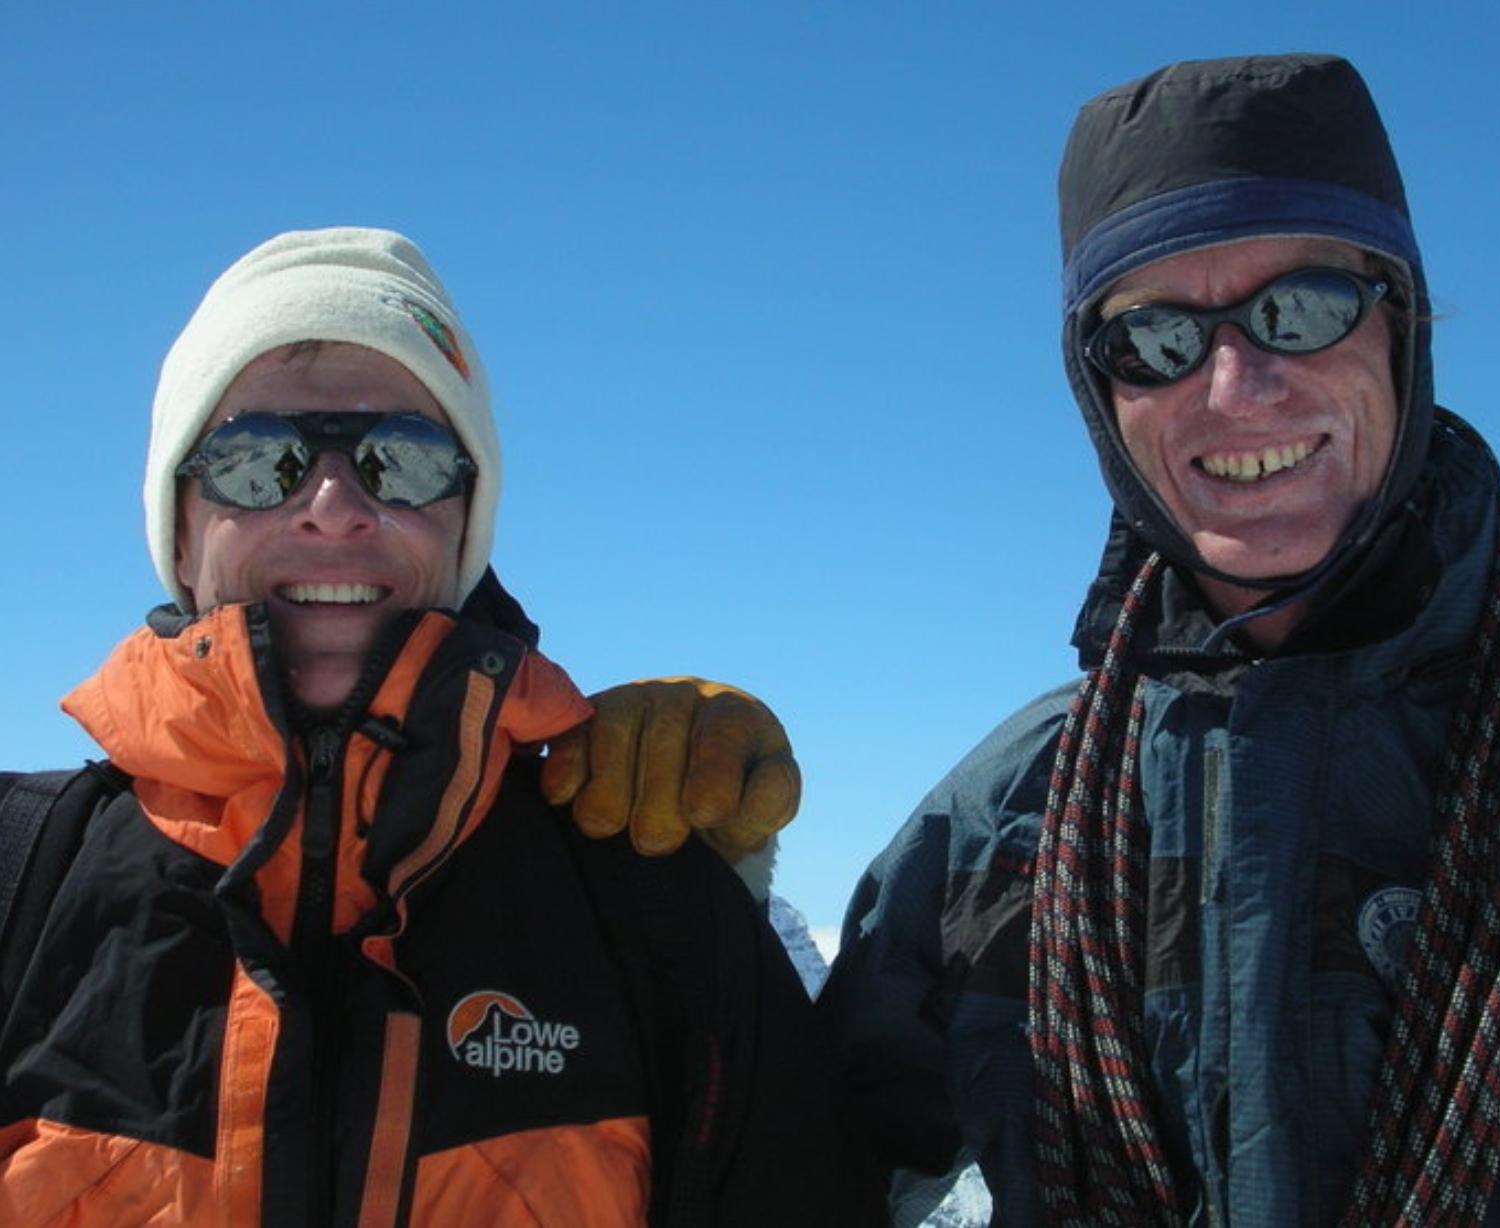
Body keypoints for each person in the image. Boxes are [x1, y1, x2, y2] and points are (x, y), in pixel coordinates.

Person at [821, 53, 1500, 1228]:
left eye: (1300, 307)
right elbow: (781, 1163)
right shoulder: (1003, 823)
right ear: (1100, 396)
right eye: (1152, 338)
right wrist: (670, 890)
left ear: (1400, 328)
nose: (1235, 385)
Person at [0, 226, 864, 1227]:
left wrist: (717, 896)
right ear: (180, 530)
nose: (333, 506)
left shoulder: (650, 907)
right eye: (254, 458)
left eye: (403, 459)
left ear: (464, 528)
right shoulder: (20, 883)